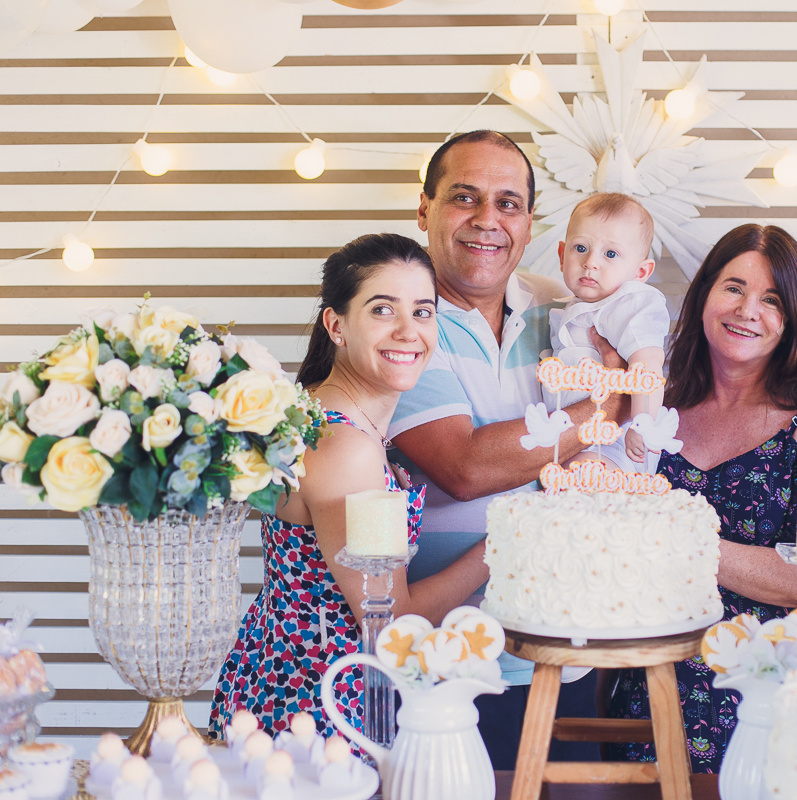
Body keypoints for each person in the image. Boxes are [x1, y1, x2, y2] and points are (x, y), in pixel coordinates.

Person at [388, 130, 628, 769]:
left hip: (562, 649)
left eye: (508, 203)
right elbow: (464, 467)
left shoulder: (562, 308)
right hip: (441, 659)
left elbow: (650, 370)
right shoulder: (398, 322)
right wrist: (606, 404)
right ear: (424, 209)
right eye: (465, 198)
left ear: (528, 223)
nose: (488, 220)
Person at [210, 233, 488, 740]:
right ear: (336, 325)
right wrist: (503, 547)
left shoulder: (323, 412)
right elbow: (390, 619)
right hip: (317, 704)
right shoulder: (347, 446)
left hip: (285, 676)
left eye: (423, 312)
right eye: (384, 309)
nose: (409, 331)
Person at [605, 223, 797, 773]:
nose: (748, 310)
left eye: (772, 300)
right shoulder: (653, 409)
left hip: (768, 694)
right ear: (703, 296)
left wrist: (683, 540)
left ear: (794, 321)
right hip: (648, 684)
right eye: (734, 288)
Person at [549, 192, 670, 472]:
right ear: (561, 255)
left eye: (610, 253)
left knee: (579, 481)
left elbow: (648, 365)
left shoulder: (628, 303)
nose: (591, 261)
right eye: (580, 248)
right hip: (577, 438)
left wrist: (643, 424)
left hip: (618, 442)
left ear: (640, 272)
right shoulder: (575, 307)